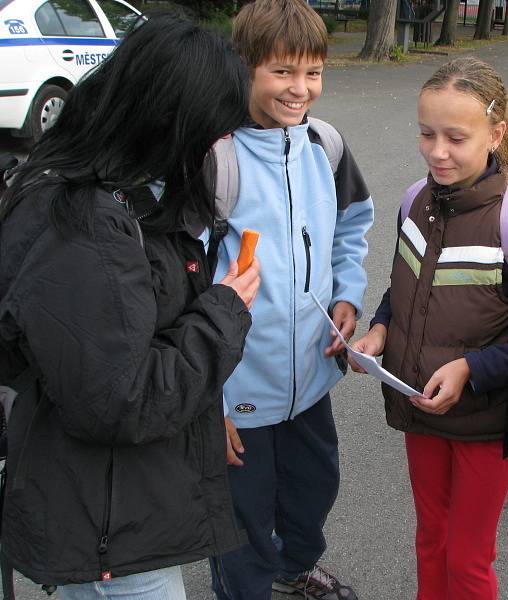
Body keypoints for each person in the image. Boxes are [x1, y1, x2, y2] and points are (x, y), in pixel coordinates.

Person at [0, 15, 259, 600]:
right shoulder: (81, 223)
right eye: (209, 133)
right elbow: (122, 398)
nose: (216, 148)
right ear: (168, 121)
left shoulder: (126, 185)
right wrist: (225, 310)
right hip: (108, 531)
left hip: (123, 507)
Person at [349, 57, 508, 600]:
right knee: (430, 539)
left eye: (456, 137)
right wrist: (381, 328)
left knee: (468, 556)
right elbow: (404, 287)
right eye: (427, 134)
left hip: (486, 421)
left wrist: (472, 369)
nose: (437, 151)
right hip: (420, 407)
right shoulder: (415, 199)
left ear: (496, 134)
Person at [207, 1, 373, 599]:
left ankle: (294, 567)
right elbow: (182, 281)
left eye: (313, 72)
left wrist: (348, 293)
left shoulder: (324, 146)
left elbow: (352, 226)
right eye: (282, 71)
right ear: (246, 66)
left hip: (310, 380)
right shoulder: (215, 156)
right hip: (239, 388)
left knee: (313, 490)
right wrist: (210, 398)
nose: (300, 88)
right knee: (241, 521)